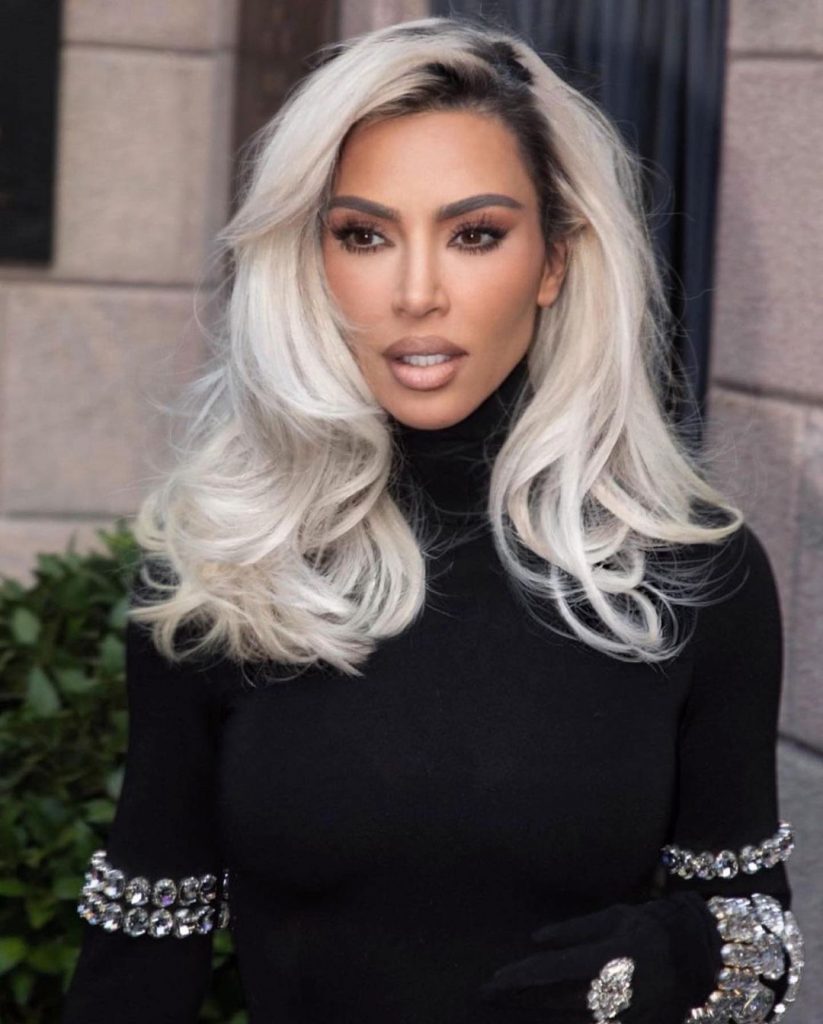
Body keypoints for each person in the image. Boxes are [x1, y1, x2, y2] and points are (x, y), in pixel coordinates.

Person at [60, 14, 804, 1024]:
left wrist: (660, 965)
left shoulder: (691, 575)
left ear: (553, 260)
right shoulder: (226, 570)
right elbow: (141, 945)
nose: (416, 293)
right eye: (364, 236)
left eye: (474, 235)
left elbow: (757, 938)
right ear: (311, 259)